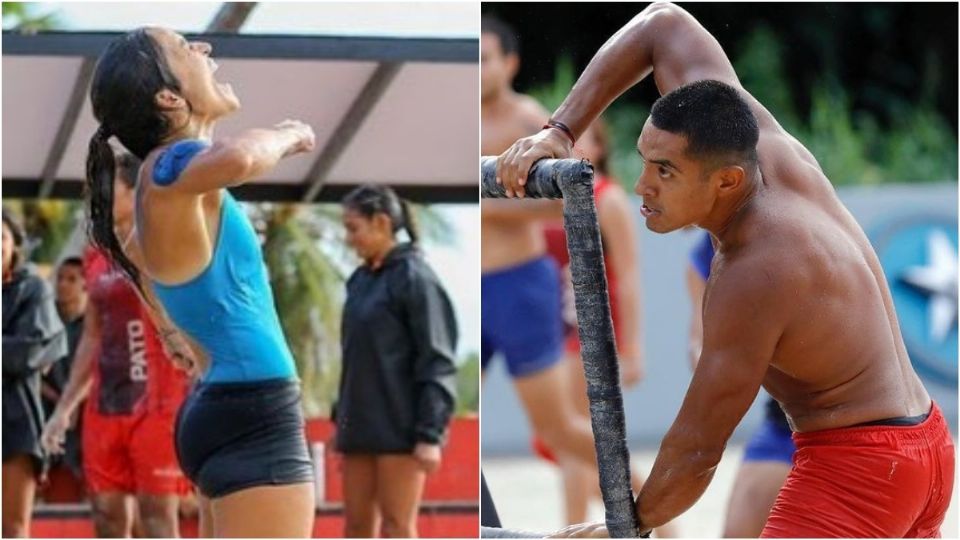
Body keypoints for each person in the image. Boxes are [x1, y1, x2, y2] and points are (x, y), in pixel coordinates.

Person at [497, 4, 953, 537]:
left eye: (665, 171)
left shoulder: (757, 270)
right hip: (924, 443)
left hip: (860, 465)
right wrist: (560, 130)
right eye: (646, 159)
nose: (643, 185)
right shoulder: (762, 145)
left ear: (727, 182)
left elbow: (699, 444)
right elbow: (664, 22)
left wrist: (627, 525)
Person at [72, 27, 317, 537]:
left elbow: (136, 258)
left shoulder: (156, 187)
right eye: (187, 48)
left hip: (221, 405)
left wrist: (169, 332)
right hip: (255, 413)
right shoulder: (172, 167)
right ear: (168, 97)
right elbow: (241, 159)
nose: (204, 50)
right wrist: (291, 134)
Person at [481, 15, 605, 502]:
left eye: (485, 58)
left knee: (559, 430)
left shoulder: (528, 121)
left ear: (509, 64)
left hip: (519, 285)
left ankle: (657, 521)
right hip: (473, 289)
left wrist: (492, 211)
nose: (475, 70)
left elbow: (573, 194)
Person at [535, 120, 676, 537]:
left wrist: (632, 347)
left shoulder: (608, 198)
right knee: (574, 440)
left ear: (600, 147)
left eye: (584, 141)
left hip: (595, 327)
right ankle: (643, 524)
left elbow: (629, 276)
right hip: (560, 326)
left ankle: (658, 523)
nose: (574, 150)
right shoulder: (546, 200)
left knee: (581, 438)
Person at [42, 152, 191, 538]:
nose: (99, 201)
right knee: (107, 516)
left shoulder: (164, 244)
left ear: (136, 191)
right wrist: (64, 408)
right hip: (106, 405)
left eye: (107, 191)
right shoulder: (96, 255)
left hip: (158, 404)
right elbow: (92, 336)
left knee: (156, 517)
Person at [336, 185, 458, 538]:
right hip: (359, 426)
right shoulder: (359, 281)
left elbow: (437, 360)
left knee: (397, 528)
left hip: (403, 428)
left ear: (382, 222)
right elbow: (354, 359)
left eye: (353, 228)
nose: (348, 239)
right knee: (356, 529)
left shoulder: (416, 278)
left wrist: (430, 434)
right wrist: (339, 417)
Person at [686, 232, 794, 538]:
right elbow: (702, 349)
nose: (645, 188)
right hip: (786, 424)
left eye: (668, 178)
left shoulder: (792, 232)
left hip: (857, 430)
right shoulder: (704, 255)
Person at [2, 209, 68, 538]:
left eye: (1, 236)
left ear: (14, 244)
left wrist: (14, 351)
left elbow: (28, 353)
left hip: (14, 422)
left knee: (12, 529)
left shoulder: (33, 289)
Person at [41, 256, 88, 486]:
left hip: (87, 409)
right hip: (50, 406)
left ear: (86, 285)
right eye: (60, 278)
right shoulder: (44, 322)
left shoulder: (94, 327)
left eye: (71, 279)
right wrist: (62, 402)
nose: (63, 284)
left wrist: (75, 401)